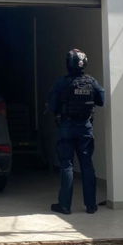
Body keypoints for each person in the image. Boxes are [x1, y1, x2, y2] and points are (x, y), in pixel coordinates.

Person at [48, 48, 105, 216]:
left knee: (67, 164)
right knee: (86, 164)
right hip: (85, 128)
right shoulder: (92, 82)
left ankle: (64, 206)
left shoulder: (61, 83)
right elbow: (101, 101)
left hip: (67, 127)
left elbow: (52, 106)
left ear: (68, 64)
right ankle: (91, 206)